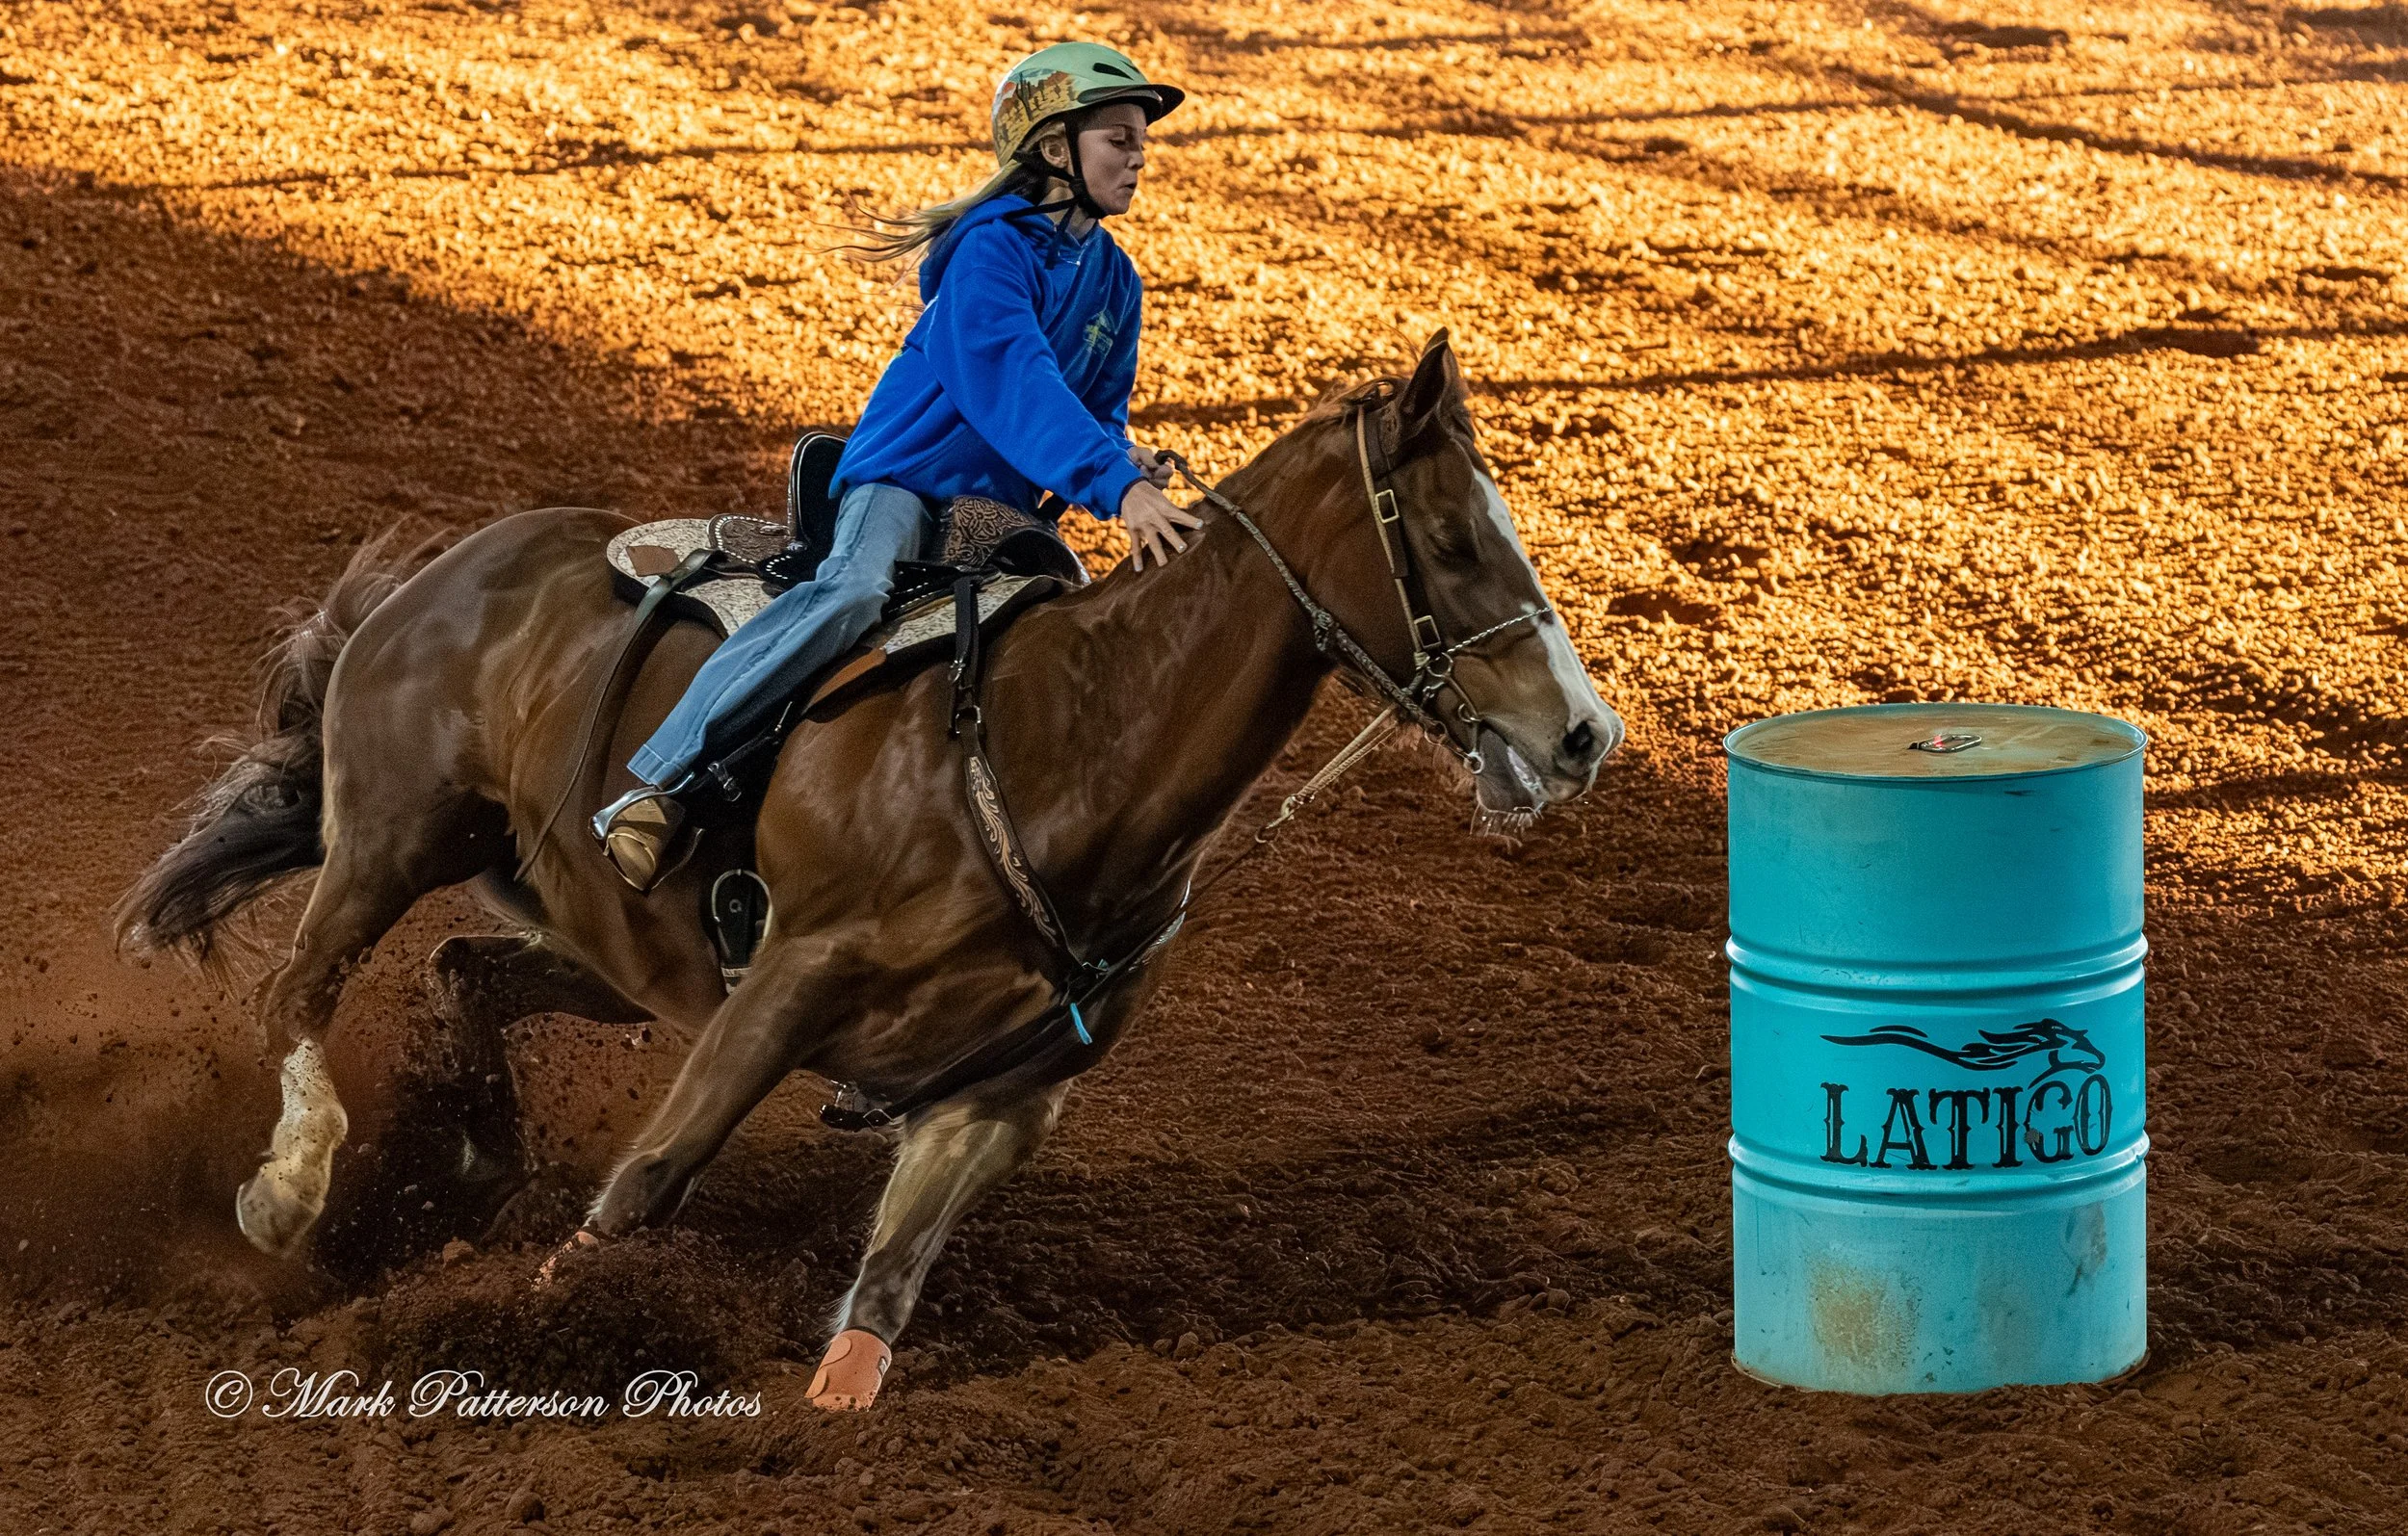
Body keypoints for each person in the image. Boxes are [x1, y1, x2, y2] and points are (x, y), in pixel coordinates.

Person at [591, 41, 1204, 891]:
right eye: (1118, 137)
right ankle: (655, 782)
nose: (1139, 156)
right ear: (1055, 149)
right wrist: (1117, 485)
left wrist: (1120, 452)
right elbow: (1013, 378)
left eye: (1143, 140)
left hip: (998, 515)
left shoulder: (1116, 282)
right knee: (852, 593)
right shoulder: (992, 255)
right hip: (903, 482)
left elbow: (1095, 406)